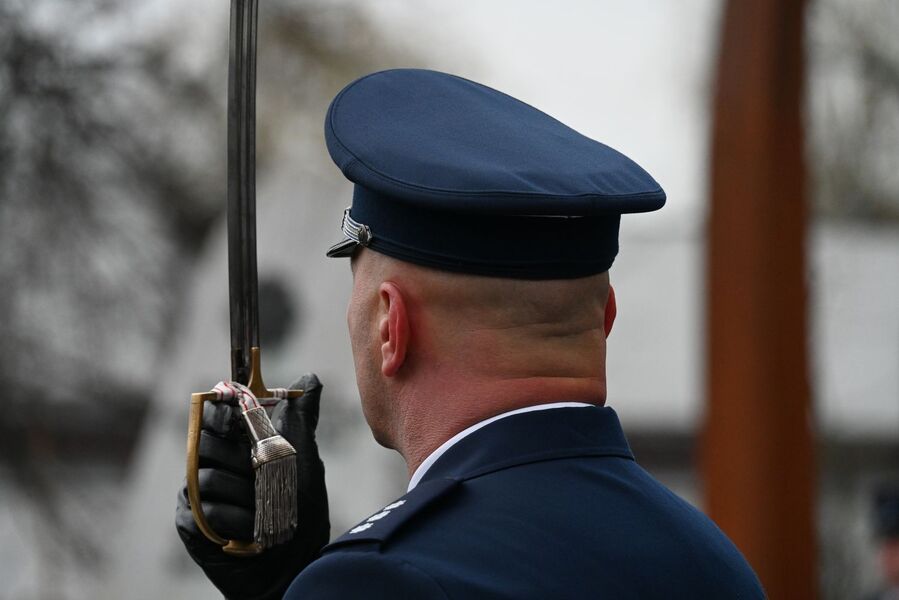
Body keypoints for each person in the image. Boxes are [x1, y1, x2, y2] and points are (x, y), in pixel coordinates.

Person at [176, 68, 765, 599]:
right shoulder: (712, 563)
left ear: (391, 325)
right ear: (606, 317)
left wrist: (287, 590)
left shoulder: (383, 580)